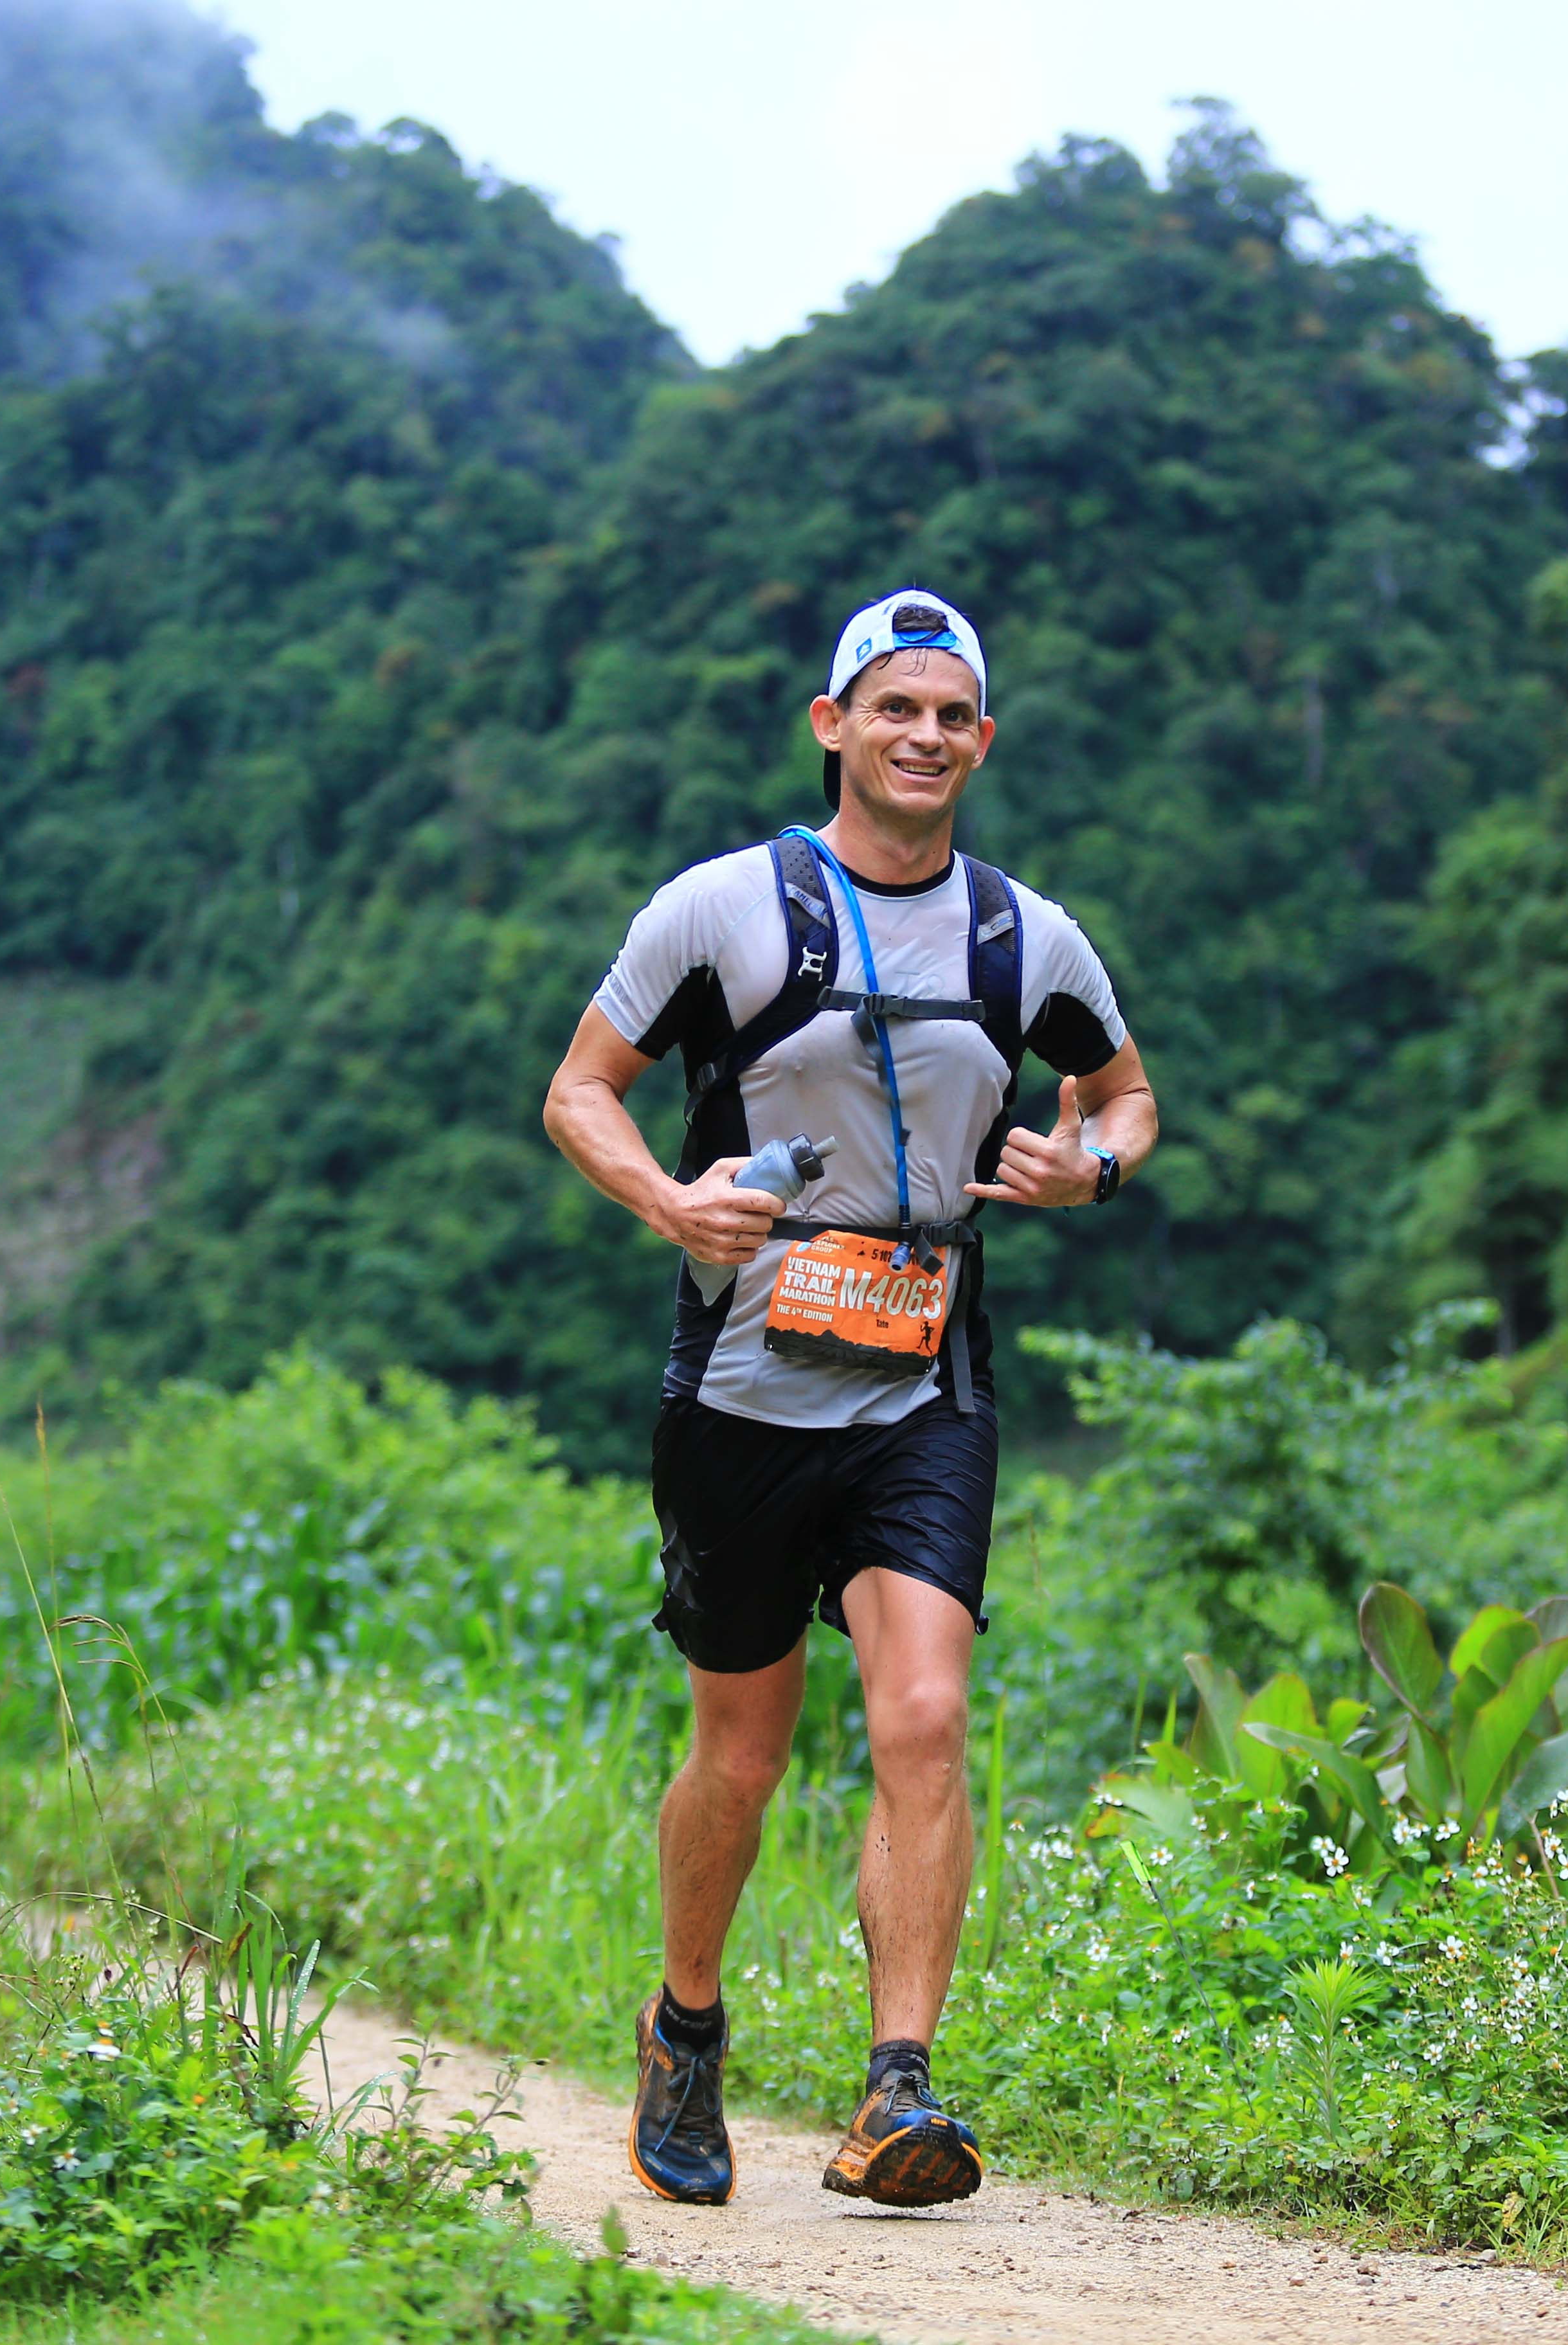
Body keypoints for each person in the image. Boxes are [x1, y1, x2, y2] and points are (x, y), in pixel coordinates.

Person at [542, 588, 1155, 2209]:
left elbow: (1126, 1093)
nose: (924, 737)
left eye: (952, 716)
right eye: (896, 708)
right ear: (834, 725)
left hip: (924, 1384)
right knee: (741, 1754)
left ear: (984, 742)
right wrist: (668, 1202)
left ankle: (899, 2092)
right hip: (744, 1381)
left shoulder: (1027, 938)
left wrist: (1090, 1167)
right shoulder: (721, 911)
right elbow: (580, 1092)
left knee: (926, 1716)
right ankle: (686, 2028)